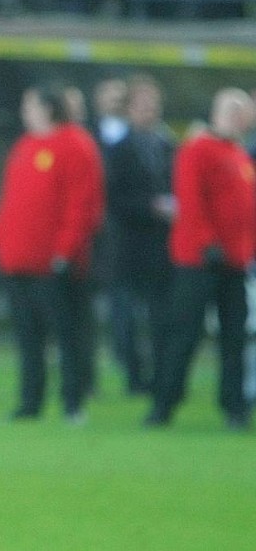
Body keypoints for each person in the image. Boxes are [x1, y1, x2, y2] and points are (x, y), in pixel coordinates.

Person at [0, 83, 105, 423]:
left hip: (54, 264)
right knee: (28, 338)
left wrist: (66, 250)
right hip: (17, 261)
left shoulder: (76, 145)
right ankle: (30, 403)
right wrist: (1, 241)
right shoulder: (25, 146)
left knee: (67, 336)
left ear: (47, 108)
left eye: (30, 104)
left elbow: (83, 206)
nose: (25, 111)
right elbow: (11, 201)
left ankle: (73, 402)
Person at [144, 87, 256, 430]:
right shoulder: (198, 149)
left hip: (234, 262)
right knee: (185, 334)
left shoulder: (238, 154)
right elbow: (190, 201)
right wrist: (208, 242)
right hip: (199, 261)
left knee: (235, 338)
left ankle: (234, 407)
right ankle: (164, 404)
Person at [105, 74, 176, 395]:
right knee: (127, 320)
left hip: (162, 248)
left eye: (154, 104)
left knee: (162, 317)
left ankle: (162, 376)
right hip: (129, 247)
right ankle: (135, 376)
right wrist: (151, 207)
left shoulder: (168, 144)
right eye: (143, 104)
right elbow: (114, 199)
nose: (149, 110)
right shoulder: (118, 149)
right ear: (130, 109)